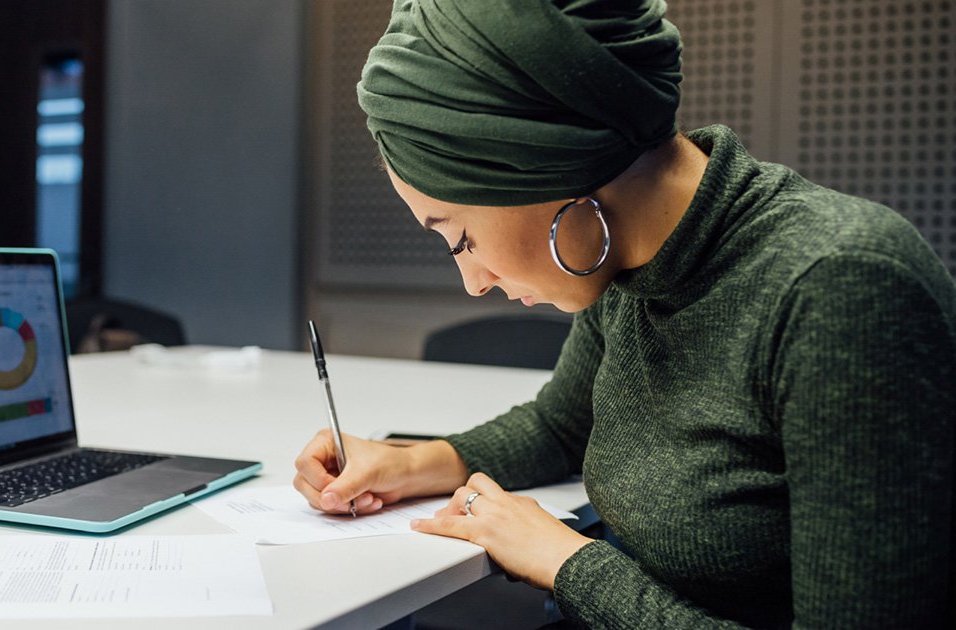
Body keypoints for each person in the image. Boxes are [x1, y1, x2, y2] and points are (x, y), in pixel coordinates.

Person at [292, 0, 956, 627]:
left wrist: (567, 564)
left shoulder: (843, 289)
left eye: (460, 237)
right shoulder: (629, 256)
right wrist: (409, 464)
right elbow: (562, 427)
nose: (472, 280)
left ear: (541, 168)